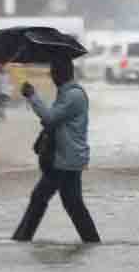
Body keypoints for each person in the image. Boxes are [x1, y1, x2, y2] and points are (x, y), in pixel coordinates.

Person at [12, 57, 101, 243]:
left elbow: (50, 118)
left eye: (54, 72)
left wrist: (33, 96)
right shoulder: (66, 94)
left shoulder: (73, 95)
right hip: (67, 159)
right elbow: (55, 122)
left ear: (62, 74)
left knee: (42, 198)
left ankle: (21, 239)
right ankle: (92, 242)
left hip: (66, 160)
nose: (51, 76)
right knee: (72, 204)